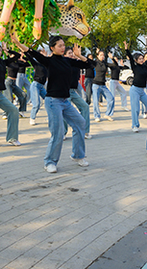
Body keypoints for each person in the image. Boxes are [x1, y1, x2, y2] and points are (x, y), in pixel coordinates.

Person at [17, 36, 91, 173]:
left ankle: (78, 155)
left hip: (65, 101)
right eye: (60, 46)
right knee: (58, 132)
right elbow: (32, 52)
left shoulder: (68, 61)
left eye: (64, 45)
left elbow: (88, 65)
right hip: (53, 101)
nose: (63, 48)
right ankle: (49, 161)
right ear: (52, 48)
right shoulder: (49, 61)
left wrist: (80, 56)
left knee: (80, 122)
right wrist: (17, 43)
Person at [125, 42, 147, 133]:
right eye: (140, 59)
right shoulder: (135, 67)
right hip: (135, 90)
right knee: (136, 109)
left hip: (142, 90)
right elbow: (130, 59)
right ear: (136, 60)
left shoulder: (145, 66)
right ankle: (135, 125)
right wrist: (126, 49)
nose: (142, 60)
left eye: (142, 58)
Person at [28, 47, 49, 126]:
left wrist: (46, 57)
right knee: (37, 104)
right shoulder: (36, 63)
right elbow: (29, 57)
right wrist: (25, 51)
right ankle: (32, 118)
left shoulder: (46, 64)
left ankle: (49, 117)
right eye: (40, 54)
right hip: (35, 85)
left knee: (48, 101)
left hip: (42, 86)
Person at [91, 49, 114, 121]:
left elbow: (115, 65)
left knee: (111, 99)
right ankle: (97, 116)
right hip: (96, 85)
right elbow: (88, 61)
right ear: (97, 56)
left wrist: (112, 58)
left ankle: (108, 114)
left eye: (103, 55)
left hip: (103, 85)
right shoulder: (95, 63)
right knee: (95, 101)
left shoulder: (105, 63)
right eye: (100, 55)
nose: (102, 56)